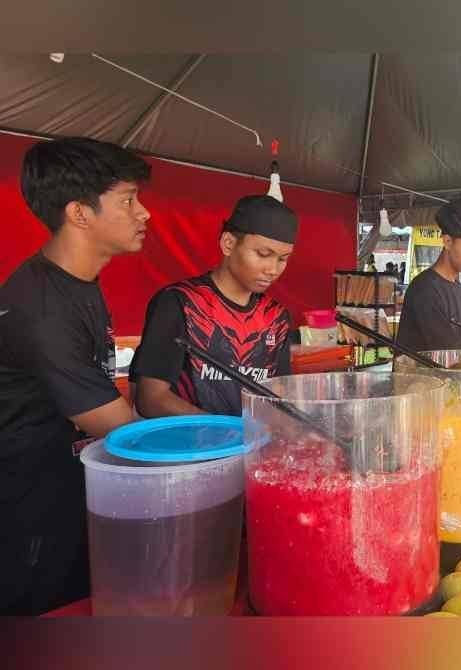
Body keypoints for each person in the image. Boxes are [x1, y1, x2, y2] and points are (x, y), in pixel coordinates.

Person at [0, 137, 152, 614]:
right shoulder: (42, 308)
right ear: (79, 213)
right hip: (32, 506)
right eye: (128, 200)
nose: (144, 213)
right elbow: (123, 431)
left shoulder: (76, 282)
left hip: (71, 489)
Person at [130, 196, 297, 418]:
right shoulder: (181, 302)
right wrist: (224, 431)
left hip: (251, 446)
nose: (273, 269)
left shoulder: (276, 318)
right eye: (263, 254)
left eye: (283, 259)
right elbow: (151, 399)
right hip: (189, 449)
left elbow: (277, 399)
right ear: (228, 243)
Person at [396, 199, 461, 350]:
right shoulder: (426, 289)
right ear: (447, 242)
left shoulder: (456, 286)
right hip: (419, 373)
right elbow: (444, 351)